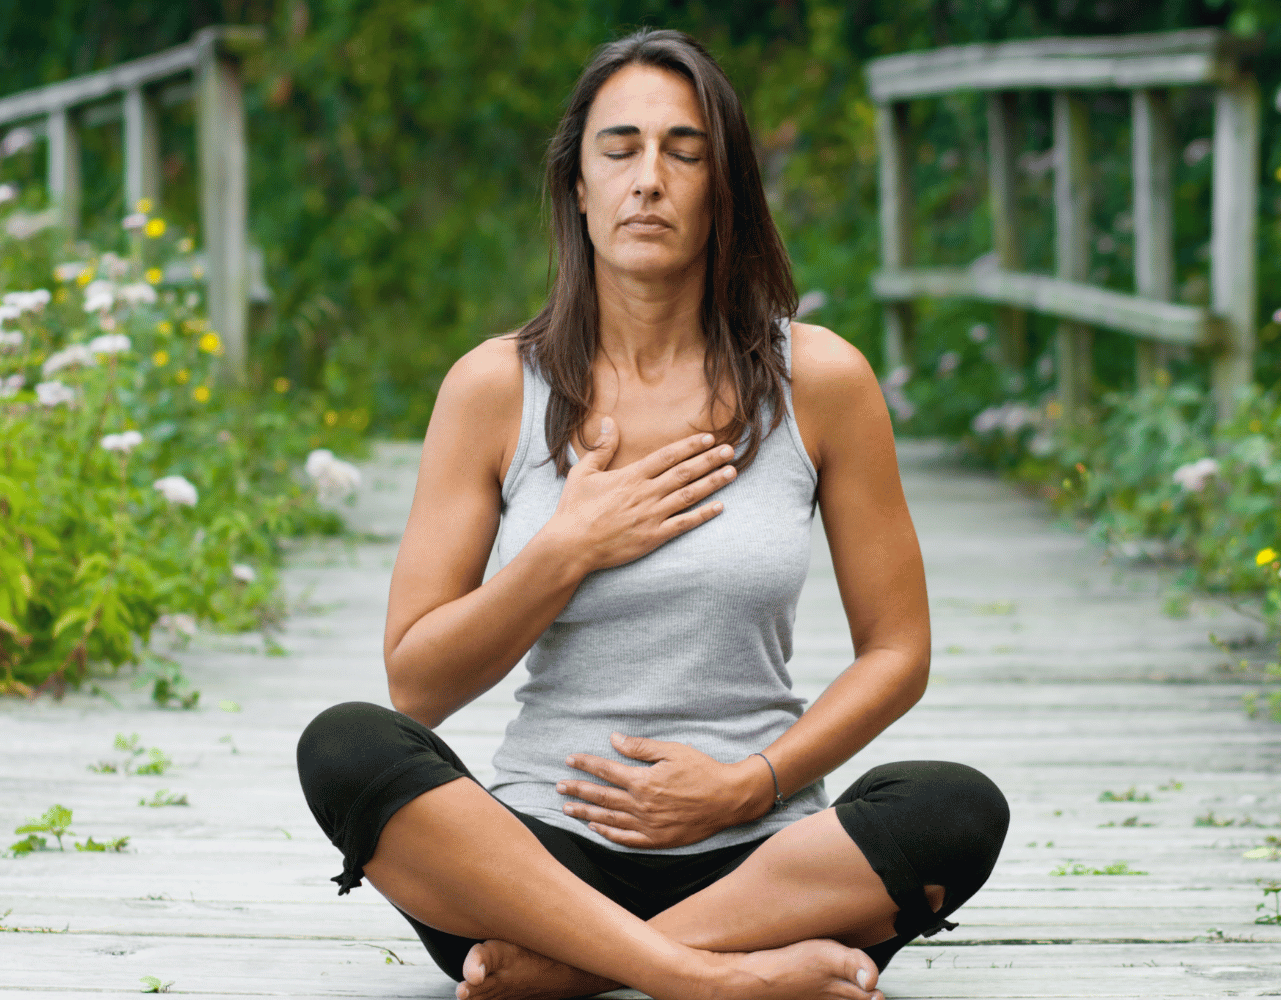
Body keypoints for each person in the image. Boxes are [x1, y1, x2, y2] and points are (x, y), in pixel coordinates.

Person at [296, 28, 1009, 1000]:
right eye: (619, 148)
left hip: (761, 859)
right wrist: (568, 548)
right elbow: (415, 684)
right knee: (345, 744)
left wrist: (746, 784)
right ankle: (710, 978)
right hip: (538, 860)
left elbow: (898, 652)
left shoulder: (823, 382)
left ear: (727, 190)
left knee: (956, 807)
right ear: (578, 186)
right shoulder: (495, 389)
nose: (648, 179)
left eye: (685, 151)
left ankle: (573, 971)